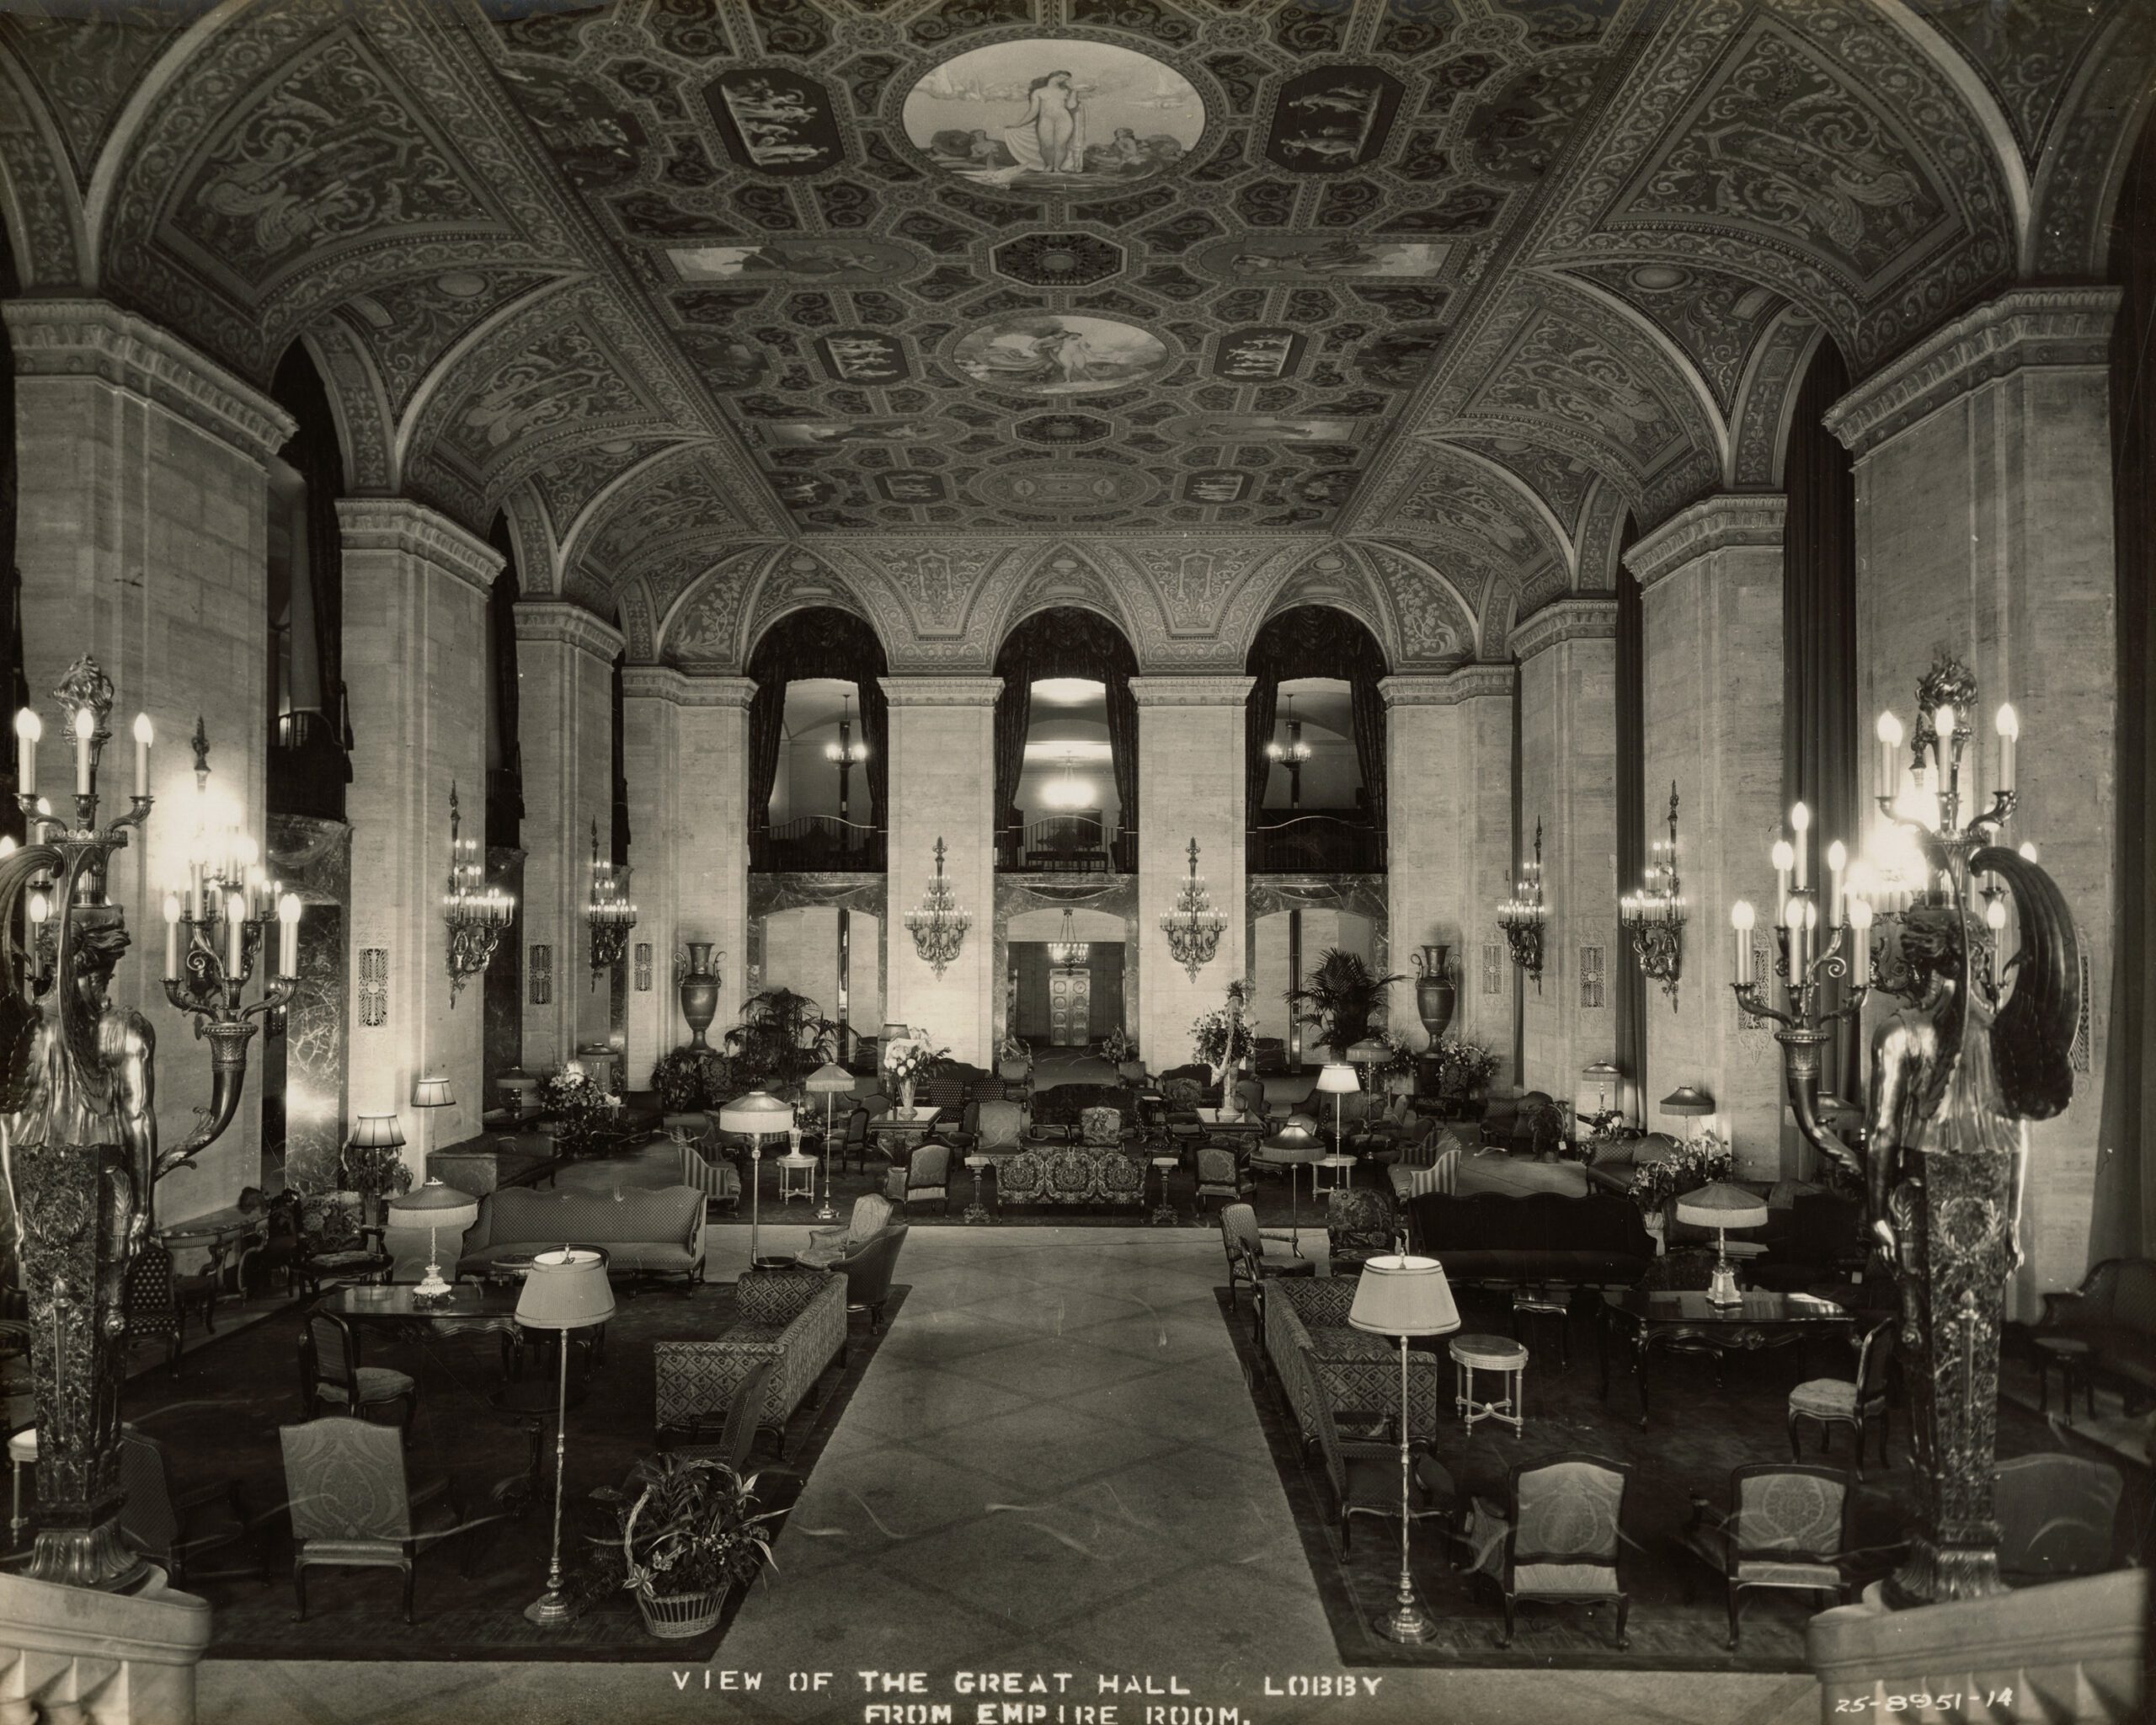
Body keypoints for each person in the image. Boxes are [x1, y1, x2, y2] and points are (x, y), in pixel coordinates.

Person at [1006, 70, 1084, 174]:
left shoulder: (1066, 91)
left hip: (1064, 119)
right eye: (1062, 77)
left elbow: (1071, 106)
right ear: (1053, 77)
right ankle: (1049, 166)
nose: (1064, 80)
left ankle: (1057, 168)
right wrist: (1018, 124)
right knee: (1046, 145)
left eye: (1066, 79)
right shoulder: (1039, 92)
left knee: (1060, 145)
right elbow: (1033, 111)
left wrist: (1074, 92)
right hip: (1046, 120)